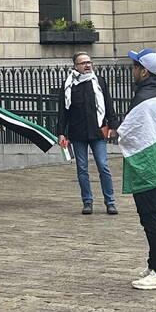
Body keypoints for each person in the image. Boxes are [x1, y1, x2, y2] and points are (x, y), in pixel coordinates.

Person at [118, 49, 156, 291]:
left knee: (152, 218)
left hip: (149, 165)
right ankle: (154, 265)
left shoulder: (146, 98)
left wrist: (117, 133)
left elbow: (129, 130)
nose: (132, 71)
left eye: (134, 67)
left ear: (144, 71)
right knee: (154, 217)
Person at [56, 51, 120, 215]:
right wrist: (61, 132)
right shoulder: (68, 85)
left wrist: (112, 125)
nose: (87, 65)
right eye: (83, 63)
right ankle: (87, 201)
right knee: (82, 168)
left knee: (103, 165)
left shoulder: (99, 82)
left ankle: (110, 201)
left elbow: (108, 104)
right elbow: (63, 111)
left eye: (89, 62)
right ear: (76, 66)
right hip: (77, 132)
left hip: (97, 130)